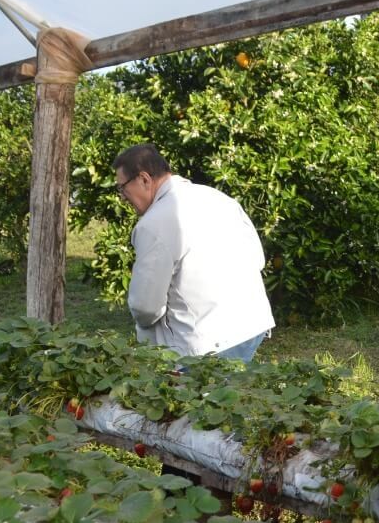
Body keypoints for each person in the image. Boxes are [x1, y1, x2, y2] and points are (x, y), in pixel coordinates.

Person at [113, 143, 274, 363]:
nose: (122, 196)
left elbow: (145, 307)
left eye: (122, 187)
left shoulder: (153, 224)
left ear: (144, 179)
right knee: (229, 395)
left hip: (205, 345)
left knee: (192, 396)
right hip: (250, 327)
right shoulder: (218, 198)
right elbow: (258, 259)